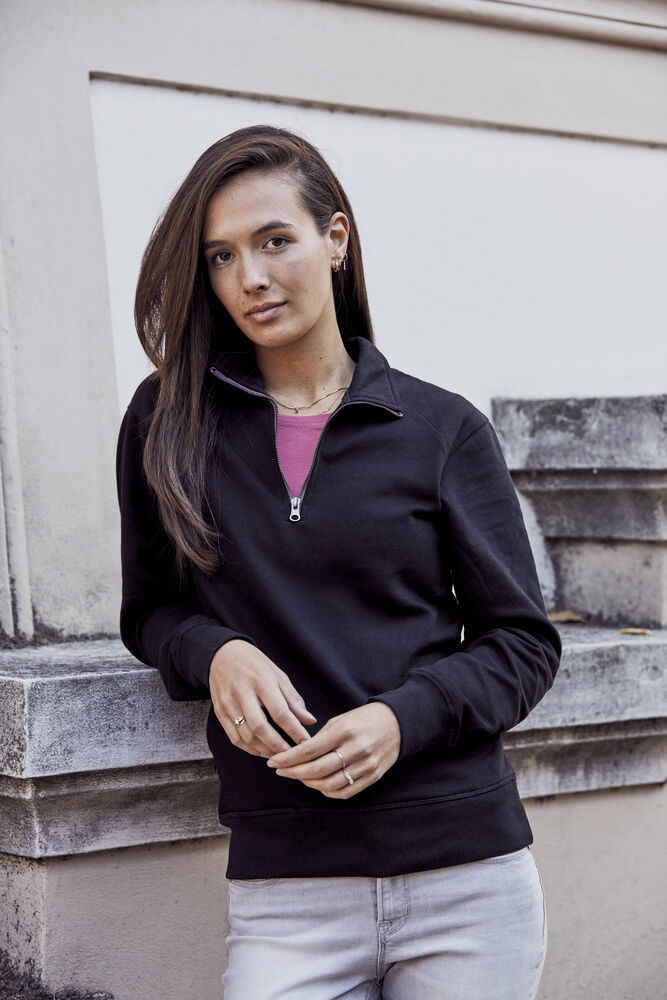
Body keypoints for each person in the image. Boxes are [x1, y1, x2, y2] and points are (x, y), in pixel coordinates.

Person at [116, 124, 561, 1000]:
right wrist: (216, 651)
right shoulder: (166, 421)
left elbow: (521, 643)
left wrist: (403, 717)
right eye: (220, 256)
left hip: (466, 877)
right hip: (288, 890)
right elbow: (149, 610)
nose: (250, 276)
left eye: (274, 240)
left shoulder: (441, 429)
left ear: (335, 239)